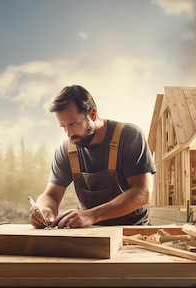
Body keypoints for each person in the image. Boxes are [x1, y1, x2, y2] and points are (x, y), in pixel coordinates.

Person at [30, 85, 156, 229]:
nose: (69, 133)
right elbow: (51, 195)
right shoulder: (66, 151)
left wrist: (91, 215)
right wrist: (44, 209)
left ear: (93, 114)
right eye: (63, 126)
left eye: (74, 124)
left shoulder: (129, 136)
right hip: (89, 232)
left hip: (133, 232)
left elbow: (143, 193)